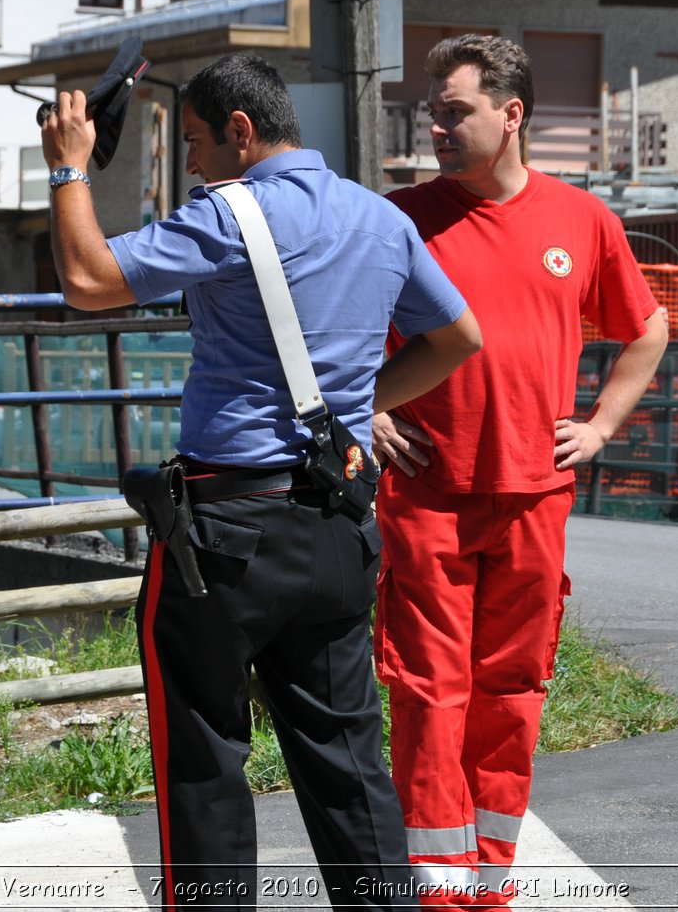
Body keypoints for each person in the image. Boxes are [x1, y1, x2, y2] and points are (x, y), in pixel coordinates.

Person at [41, 52, 482, 909]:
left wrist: (67, 166)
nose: (196, 164)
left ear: (242, 133)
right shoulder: (377, 216)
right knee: (347, 756)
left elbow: (88, 280)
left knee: (204, 757)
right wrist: (354, 407)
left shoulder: (227, 214)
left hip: (226, 532)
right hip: (338, 519)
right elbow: (458, 336)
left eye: (199, 143)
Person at [371, 34, 669, 909]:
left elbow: (646, 330)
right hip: (427, 498)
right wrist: (374, 409)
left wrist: (603, 424)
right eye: (433, 112)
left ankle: (489, 884)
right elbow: (332, 333)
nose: (438, 126)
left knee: (511, 691)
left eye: (455, 110)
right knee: (428, 694)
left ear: (512, 114)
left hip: (535, 497)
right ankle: (437, 889)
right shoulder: (400, 218)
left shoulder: (582, 220)